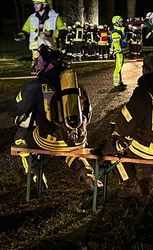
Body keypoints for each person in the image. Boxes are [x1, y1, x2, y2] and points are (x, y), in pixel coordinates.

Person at [9, 45, 98, 189]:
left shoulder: (37, 86)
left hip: (48, 141)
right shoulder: (75, 86)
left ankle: (36, 176)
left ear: (46, 64)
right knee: (70, 150)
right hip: (75, 139)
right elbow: (88, 113)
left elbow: (13, 109)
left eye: (39, 61)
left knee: (20, 138)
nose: (37, 65)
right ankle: (88, 177)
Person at [103, 53, 153, 199]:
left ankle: (131, 186)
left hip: (151, 149)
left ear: (145, 71)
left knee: (114, 145)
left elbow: (125, 126)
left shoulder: (143, 92)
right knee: (146, 141)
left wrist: (117, 130)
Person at [14, 0, 66, 67]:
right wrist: (20, 36)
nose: (35, 5)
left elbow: (64, 32)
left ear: (44, 5)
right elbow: (25, 31)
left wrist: (51, 33)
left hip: (50, 49)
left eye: (37, 3)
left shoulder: (55, 17)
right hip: (36, 51)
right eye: (34, 3)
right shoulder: (31, 18)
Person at [110, 15, 128, 92]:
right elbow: (116, 44)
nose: (122, 23)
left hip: (121, 52)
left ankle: (120, 82)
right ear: (116, 23)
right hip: (118, 53)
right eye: (120, 21)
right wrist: (118, 51)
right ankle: (117, 84)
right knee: (118, 68)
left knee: (120, 68)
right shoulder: (115, 32)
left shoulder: (120, 30)